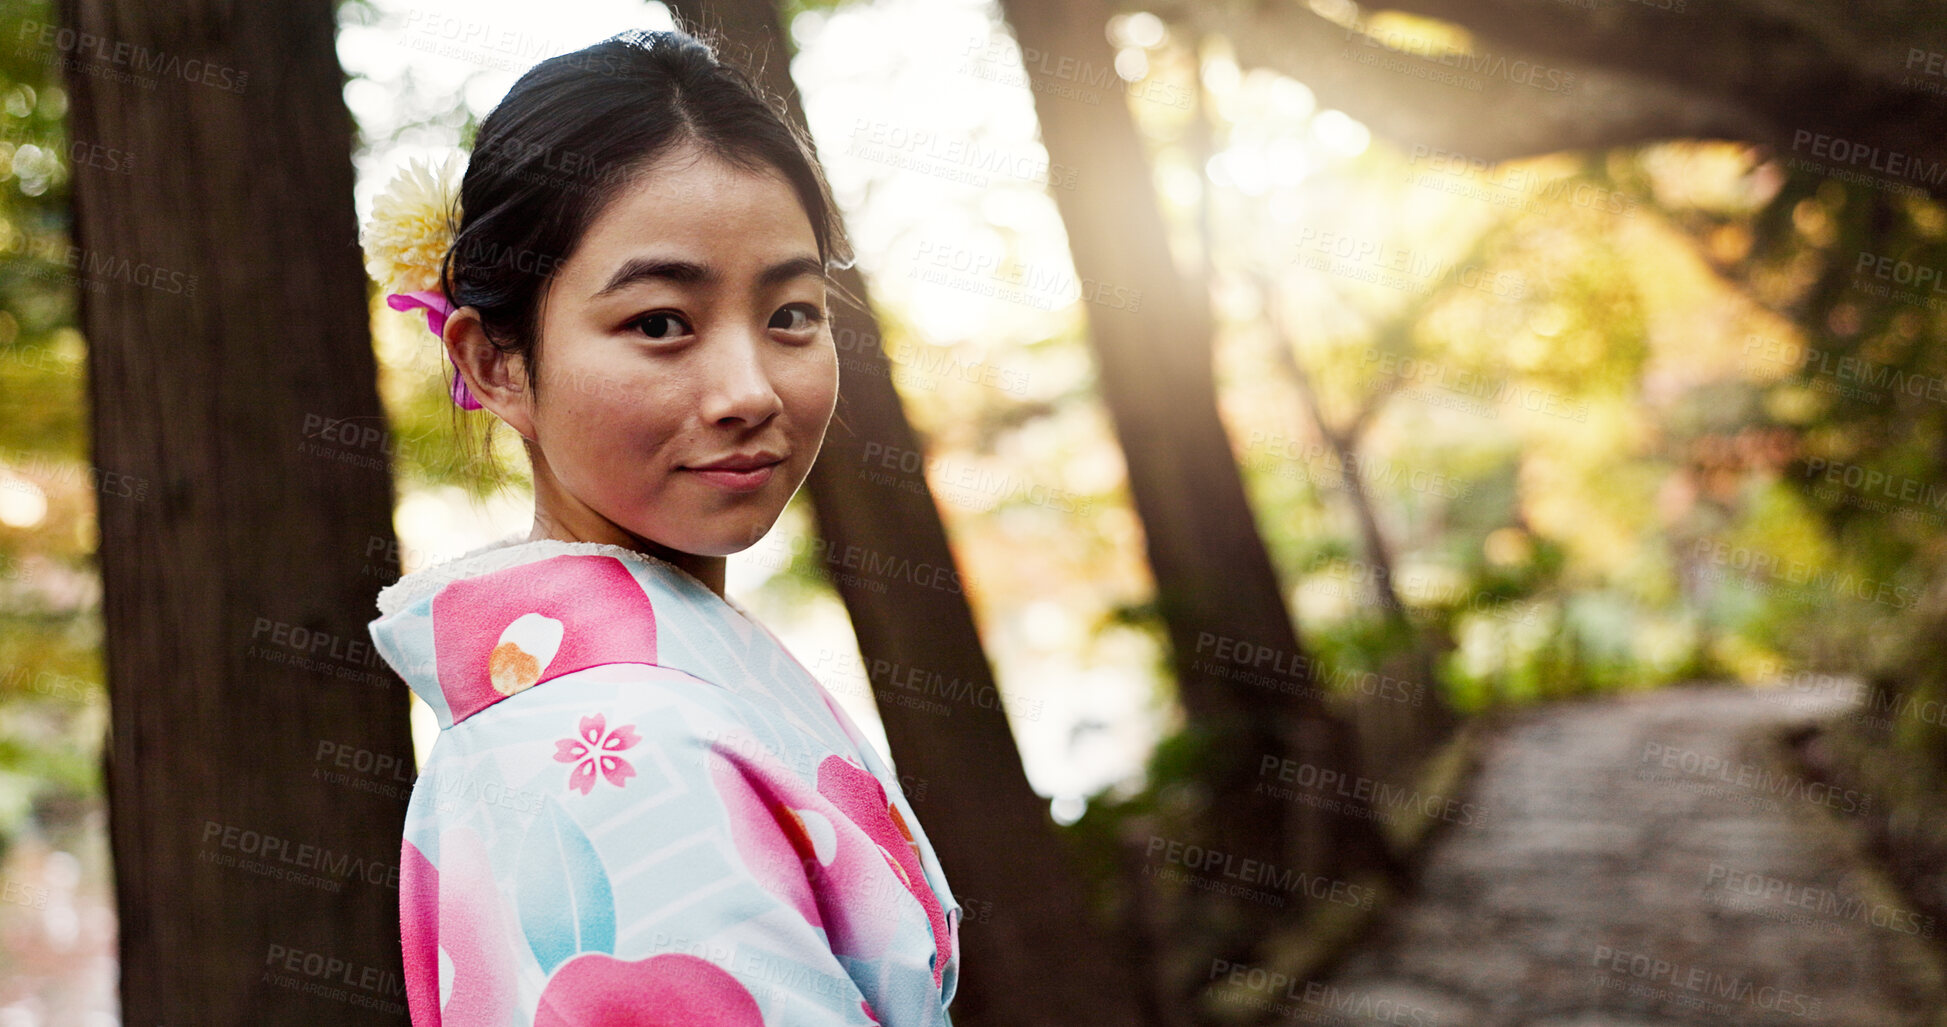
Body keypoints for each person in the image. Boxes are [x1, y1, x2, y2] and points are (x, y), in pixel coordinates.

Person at [360, 27, 960, 1025]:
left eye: (793, 313)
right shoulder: (617, 746)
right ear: (496, 364)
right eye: (659, 322)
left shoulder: (626, 700)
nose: (748, 390)